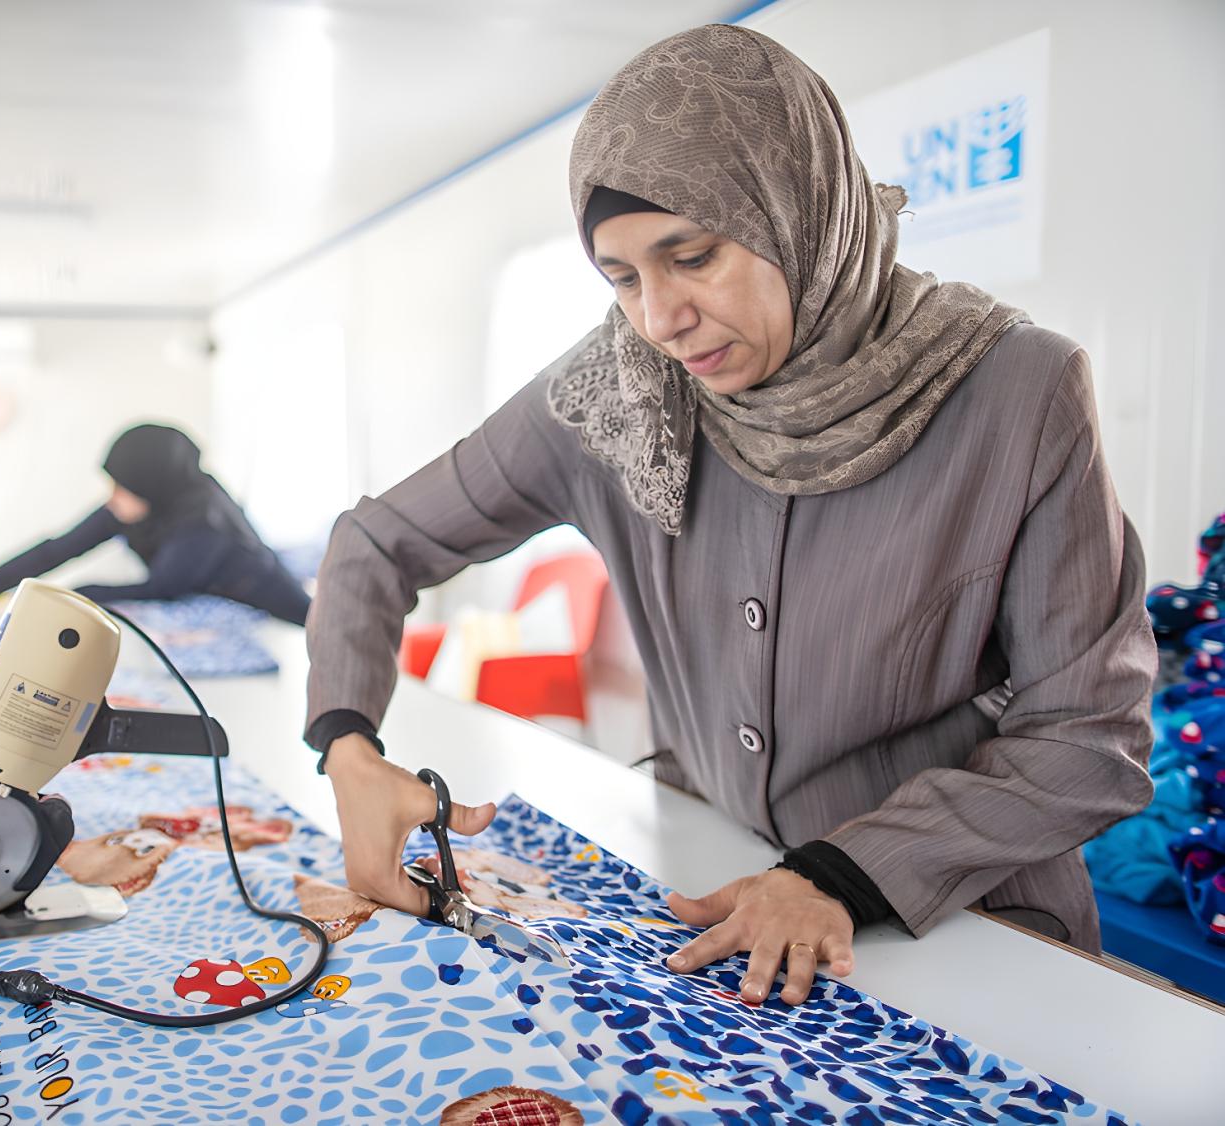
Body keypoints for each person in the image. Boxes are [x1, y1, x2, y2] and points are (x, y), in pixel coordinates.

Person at [306, 25, 1155, 1008]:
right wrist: (347, 746)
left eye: (691, 256)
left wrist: (840, 871)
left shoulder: (1012, 389)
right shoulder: (606, 397)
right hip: (713, 905)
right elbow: (373, 542)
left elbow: (1086, 734)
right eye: (621, 278)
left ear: (796, 208)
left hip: (964, 927)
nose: (657, 319)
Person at [0, 423, 311, 626]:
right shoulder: (143, 501)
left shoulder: (203, 519)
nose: (112, 496)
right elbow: (59, 548)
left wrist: (74, 595)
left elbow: (162, 587)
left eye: (120, 486)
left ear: (149, 482)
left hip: (279, 613)